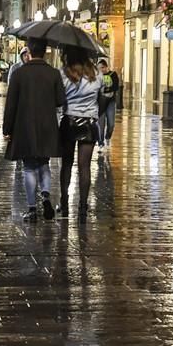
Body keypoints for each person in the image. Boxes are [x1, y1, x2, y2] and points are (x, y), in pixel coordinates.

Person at [3, 38, 66, 222]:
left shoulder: (19, 74)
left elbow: (10, 105)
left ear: (29, 51)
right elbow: (60, 100)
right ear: (45, 51)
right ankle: (45, 195)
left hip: (24, 127)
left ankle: (32, 208)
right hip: (47, 125)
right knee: (44, 164)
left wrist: (7, 128)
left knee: (29, 167)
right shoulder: (54, 74)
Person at [58, 46, 102, 222]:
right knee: (84, 167)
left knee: (67, 165)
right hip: (89, 123)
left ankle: (64, 202)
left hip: (69, 122)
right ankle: (83, 206)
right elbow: (101, 96)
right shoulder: (96, 74)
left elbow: (59, 98)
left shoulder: (64, 73)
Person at [97, 59, 120, 150]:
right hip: (100, 103)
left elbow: (115, 86)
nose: (101, 70)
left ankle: (107, 137)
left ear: (106, 67)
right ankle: (101, 143)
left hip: (111, 102)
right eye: (99, 68)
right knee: (101, 125)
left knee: (111, 124)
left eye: (102, 68)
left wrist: (106, 90)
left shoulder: (113, 75)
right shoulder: (97, 76)